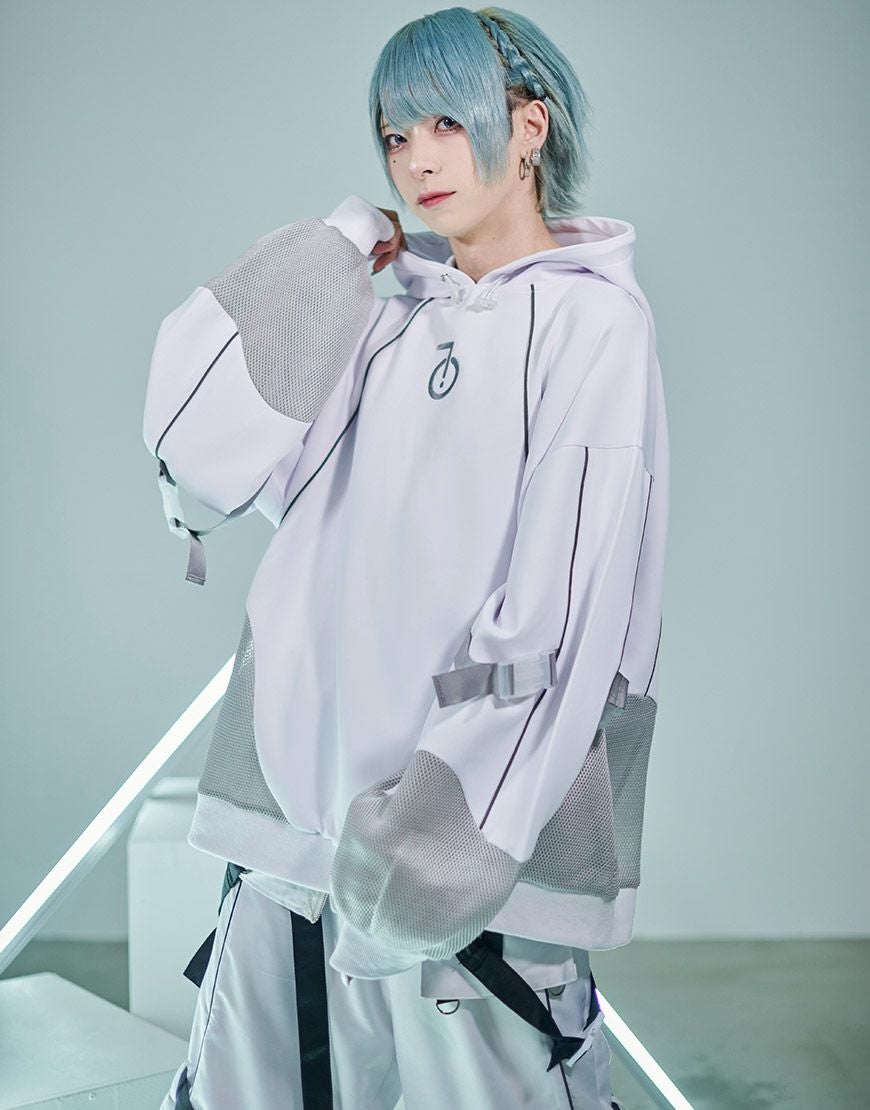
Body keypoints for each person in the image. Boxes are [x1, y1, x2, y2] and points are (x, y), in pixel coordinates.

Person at [144, 6, 668, 1108]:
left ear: (528, 128)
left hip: (464, 858)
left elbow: (560, 617)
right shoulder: (379, 324)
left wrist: (435, 841)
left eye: (445, 122)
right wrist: (335, 252)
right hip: (293, 842)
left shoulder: (595, 329)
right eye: (394, 133)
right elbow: (192, 446)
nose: (416, 158)